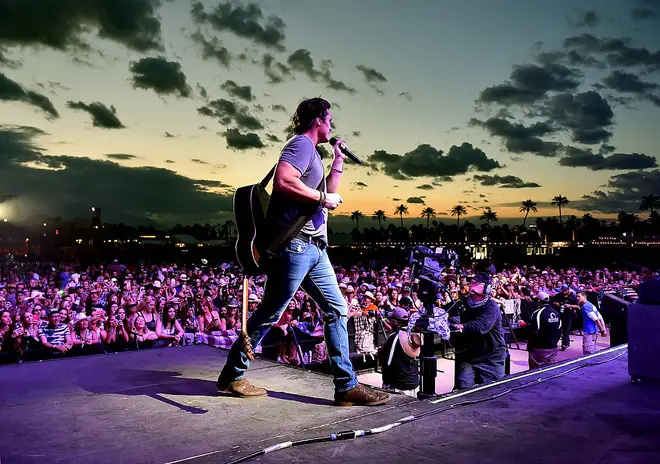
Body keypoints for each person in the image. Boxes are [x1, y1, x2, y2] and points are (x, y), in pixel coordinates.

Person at [217, 97, 389, 407]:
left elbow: (329, 191)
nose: (332, 126)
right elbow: (284, 181)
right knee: (270, 313)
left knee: (337, 309)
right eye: (330, 120)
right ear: (318, 121)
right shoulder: (300, 144)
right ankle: (233, 375)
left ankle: (346, 387)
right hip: (296, 248)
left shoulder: (314, 153)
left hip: (314, 249)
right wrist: (322, 198)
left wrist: (338, 160)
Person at [453, 272, 507, 390]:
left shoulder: (491, 306)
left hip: (491, 357)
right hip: (470, 357)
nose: (472, 285)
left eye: (476, 283)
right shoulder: (463, 302)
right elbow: (446, 312)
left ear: (487, 288)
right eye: (471, 282)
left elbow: (482, 325)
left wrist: (463, 326)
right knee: (463, 388)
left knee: (491, 393)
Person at [527, 291, 562, 369]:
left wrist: (532, 347)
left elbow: (534, 331)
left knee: (535, 373)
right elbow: (559, 329)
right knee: (549, 372)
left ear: (539, 301)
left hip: (540, 348)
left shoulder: (537, 313)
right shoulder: (555, 312)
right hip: (553, 348)